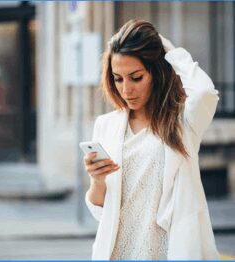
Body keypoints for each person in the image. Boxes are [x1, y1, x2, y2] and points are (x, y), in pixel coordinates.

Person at [83, 19, 219, 260]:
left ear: (156, 73)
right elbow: (99, 211)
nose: (126, 90)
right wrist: (97, 180)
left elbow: (205, 92)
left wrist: (169, 51)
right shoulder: (106, 125)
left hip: (168, 252)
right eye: (118, 78)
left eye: (136, 78)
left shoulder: (182, 122)